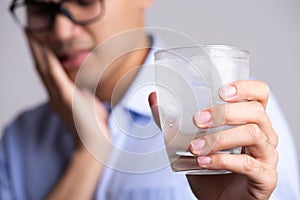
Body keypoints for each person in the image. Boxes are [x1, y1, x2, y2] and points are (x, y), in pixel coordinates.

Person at [1, 0, 299, 199]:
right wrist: (89, 155)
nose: (61, 32)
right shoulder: (17, 141)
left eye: (84, 0)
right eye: (39, 7)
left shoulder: (236, 120)